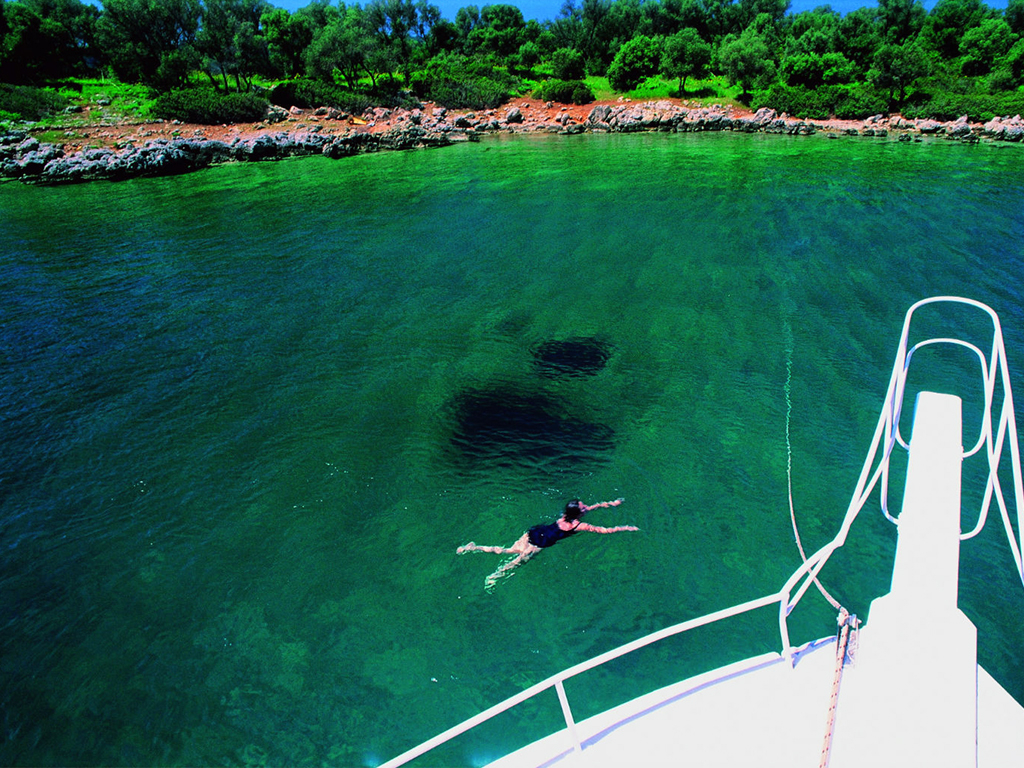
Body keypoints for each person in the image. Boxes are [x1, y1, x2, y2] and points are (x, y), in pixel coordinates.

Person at [457, 498, 638, 590]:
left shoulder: (565, 516)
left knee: (508, 550)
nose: (586, 507)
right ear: (578, 513)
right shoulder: (579, 525)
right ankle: (493, 577)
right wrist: (624, 528)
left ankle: (472, 548)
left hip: (533, 532)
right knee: (514, 563)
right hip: (538, 544)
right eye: (583, 507)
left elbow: (593, 507)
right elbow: (604, 530)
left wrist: (612, 503)